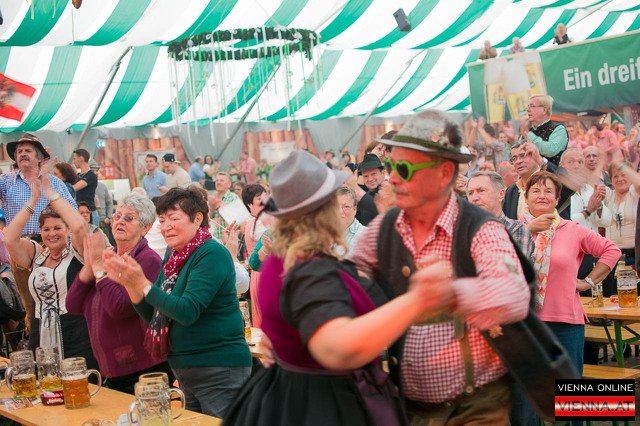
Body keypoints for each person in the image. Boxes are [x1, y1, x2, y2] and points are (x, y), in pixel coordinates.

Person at [225, 150, 444, 425]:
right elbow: (337, 348)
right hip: (325, 403)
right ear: (322, 211)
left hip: (291, 393)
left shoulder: (281, 260)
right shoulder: (309, 269)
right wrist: (418, 299)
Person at [349, 110, 530, 424]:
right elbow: (347, 282)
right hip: (412, 409)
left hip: (476, 409)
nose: (392, 179)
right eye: (391, 167)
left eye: (404, 168)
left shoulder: (479, 227)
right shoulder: (386, 228)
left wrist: (452, 292)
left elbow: (515, 295)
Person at [103, 187, 251, 418]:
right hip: (186, 369)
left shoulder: (211, 253)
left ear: (197, 218)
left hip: (218, 368)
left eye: (174, 218)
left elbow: (187, 311)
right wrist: (131, 285)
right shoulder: (173, 256)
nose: (166, 227)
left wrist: (143, 283)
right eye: (162, 221)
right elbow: (154, 314)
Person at [66, 193, 174, 394]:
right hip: (112, 369)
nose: (120, 221)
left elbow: (119, 308)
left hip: (143, 369)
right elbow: (72, 305)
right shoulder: (108, 257)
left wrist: (99, 266)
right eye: (117, 216)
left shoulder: (148, 260)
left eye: (129, 218)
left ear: (145, 228)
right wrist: (89, 267)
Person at [520, 171, 619, 375]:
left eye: (549, 191)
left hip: (565, 322)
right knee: (531, 386)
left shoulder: (572, 229)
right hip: (525, 322)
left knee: (569, 384)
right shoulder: (514, 230)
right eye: (536, 191)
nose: (542, 195)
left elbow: (611, 251)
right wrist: (528, 230)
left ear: (557, 199)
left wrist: (588, 282)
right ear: (526, 197)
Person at [4, 161, 96, 367]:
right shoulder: (37, 254)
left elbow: (80, 227)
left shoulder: (77, 252)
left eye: (57, 228)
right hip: (40, 334)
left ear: (67, 230)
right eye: (46, 229)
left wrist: (50, 192)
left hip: (77, 333)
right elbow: (9, 239)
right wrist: (33, 200)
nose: (52, 234)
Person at [466, 171, 534, 261]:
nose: (474, 198)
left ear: (501, 194)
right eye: (470, 193)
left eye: (481, 191)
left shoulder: (517, 230)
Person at [602, 161, 640, 295]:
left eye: (624, 175)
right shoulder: (608, 195)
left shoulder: (634, 194)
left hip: (634, 255)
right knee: (611, 295)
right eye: (615, 176)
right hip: (612, 255)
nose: (620, 179)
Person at [241, 184, 269, 328]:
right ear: (249, 205)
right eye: (259, 198)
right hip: (262, 272)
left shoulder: (252, 222)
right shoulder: (257, 224)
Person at [526, 95, 568, 168]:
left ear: (544, 110)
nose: (528, 110)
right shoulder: (528, 131)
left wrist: (528, 134)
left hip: (552, 174)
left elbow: (550, 150)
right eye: (528, 106)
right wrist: (511, 141)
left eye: (532, 106)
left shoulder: (559, 129)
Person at [90, 161, 115, 245]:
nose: (95, 173)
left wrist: (109, 217)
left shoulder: (102, 186)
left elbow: (109, 203)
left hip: (103, 221)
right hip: (90, 222)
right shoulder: (84, 186)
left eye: (96, 170)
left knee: (106, 244)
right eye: (92, 170)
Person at [72, 148, 99, 225]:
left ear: (81, 158)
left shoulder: (91, 175)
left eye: (74, 158)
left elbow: (74, 188)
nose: (73, 161)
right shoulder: (79, 176)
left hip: (90, 213)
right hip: (79, 212)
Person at [337, 187, 367, 254]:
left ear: (354, 210)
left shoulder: (366, 236)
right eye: (336, 206)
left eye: (346, 206)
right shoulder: (323, 233)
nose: (340, 211)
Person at [210, 172, 239, 240]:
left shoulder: (234, 198)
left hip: (228, 240)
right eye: (217, 180)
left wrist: (219, 206)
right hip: (213, 239)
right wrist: (211, 208)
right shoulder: (212, 197)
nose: (218, 182)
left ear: (229, 184)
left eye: (222, 180)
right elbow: (208, 220)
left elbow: (233, 223)